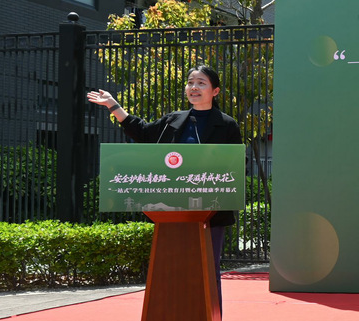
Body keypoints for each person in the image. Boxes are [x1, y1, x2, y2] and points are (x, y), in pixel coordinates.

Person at [87, 64, 242, 317]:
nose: (194, 87)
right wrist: (113, 105)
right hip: (172, 210)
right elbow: (141, 131)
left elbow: (235, 165)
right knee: (172, 269)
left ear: (215, 91)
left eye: (201, 83)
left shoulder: (226, 125)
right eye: (190, 82)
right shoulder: (173, 120)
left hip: (210, 213)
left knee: (207, 270)